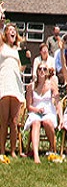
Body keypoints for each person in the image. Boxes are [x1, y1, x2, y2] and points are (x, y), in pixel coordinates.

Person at [24, 63, 62, 163]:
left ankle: (52, 147)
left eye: (44, 69)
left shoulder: (51, 85)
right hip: (35, 111)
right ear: (37, 71)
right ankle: (36, 155)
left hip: (49, 111)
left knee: (47, 122)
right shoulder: (31, 86)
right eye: (40, 69)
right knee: (36, 122)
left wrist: (61, 117)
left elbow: (58, 101)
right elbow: (29, 106)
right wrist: (37, 110)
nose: (42, 71)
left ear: (47, 72)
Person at [0, 23, 26, 157]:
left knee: (14, 121)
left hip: (15, 85)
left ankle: (13, 151)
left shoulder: (18, 48)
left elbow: (21, 68)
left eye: (14, 31)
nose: (12, 32)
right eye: (10, 30)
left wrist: (26, 59)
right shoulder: (2, 46)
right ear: (5, 33)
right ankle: (2, 150)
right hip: (4, 84)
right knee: (3, 120)